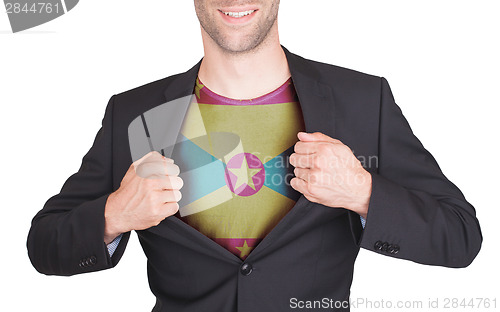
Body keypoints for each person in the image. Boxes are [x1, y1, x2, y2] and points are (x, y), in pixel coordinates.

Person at [27, 1, 482, 311]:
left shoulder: (362, 101)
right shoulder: (135, 113)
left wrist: (363, 192)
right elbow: (44, 245)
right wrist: (114, 214)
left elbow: (460, 236)